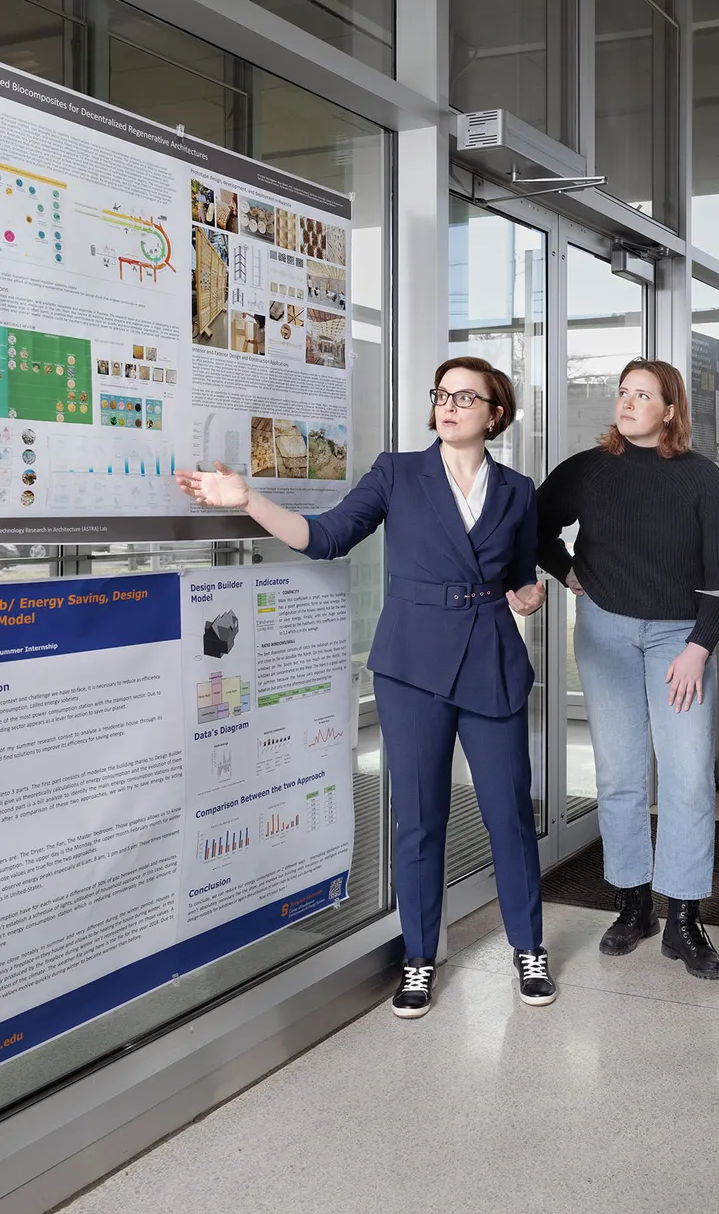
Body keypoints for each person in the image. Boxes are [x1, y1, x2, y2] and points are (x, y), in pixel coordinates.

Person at [175, 356, 556, 1021]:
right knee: (419, 819)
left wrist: (529, 595)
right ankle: (418, 959)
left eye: (468, 396)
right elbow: (324, 538)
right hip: (412, 664)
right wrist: (248, 499)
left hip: (491, 657)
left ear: (497, 413)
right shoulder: (397, 472)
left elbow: (521, 575)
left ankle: (529, 948)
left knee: (509, 814)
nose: (450, 405)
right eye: (441, 393)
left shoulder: (519, 489)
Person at [536, 358, 719, 980]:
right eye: (622, 393)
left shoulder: (703, 480)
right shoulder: (589, 469)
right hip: (606, 633)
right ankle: (633, 905)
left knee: (685, 776)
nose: (627, 403)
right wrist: (566, 570)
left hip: (682, 639)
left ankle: (684, 918)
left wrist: (699, 648)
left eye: (642, 395)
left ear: (671, 409)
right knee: (620, 774)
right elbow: (531, 526)